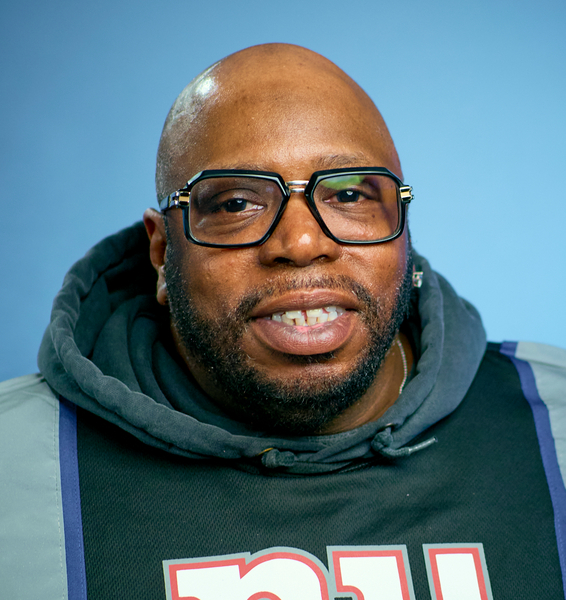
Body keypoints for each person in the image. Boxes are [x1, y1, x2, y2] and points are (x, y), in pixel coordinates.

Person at [1, 43, 565, 600]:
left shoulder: (554, 426)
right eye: (237, 204)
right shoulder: (16, 464)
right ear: (162, 253)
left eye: (348, 193)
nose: (300, 242)